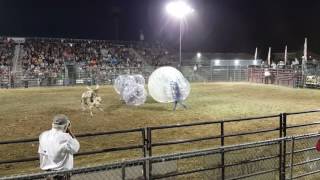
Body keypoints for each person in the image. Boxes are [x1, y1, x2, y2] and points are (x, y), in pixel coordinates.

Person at [38, 114, 80, 180]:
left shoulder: (43, 135)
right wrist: (69, 131)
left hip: (47, 174)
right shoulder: (65, 137)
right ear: (66, 125)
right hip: (61, 174)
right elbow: (76, 148)